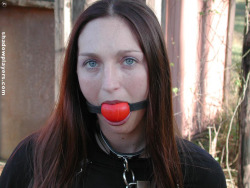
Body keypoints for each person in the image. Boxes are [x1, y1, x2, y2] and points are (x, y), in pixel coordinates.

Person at [0, 0, 226, 187]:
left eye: (128, 60)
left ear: (156, 70)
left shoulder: (202, 176)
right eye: (91, 63)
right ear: (75, 74)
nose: (109, 84)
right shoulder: (32, 161)